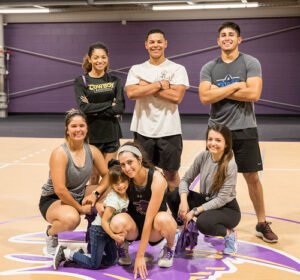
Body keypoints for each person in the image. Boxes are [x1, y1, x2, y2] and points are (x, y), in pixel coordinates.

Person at [199, 21, 278, 243]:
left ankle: (262, 223)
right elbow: (205, 97)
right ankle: (214, 219)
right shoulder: (209, 67)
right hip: (217, 131)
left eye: (231, 35)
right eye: (223, 35)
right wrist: (236, 86)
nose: (227, 38)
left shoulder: (251, 62)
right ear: (218, 40)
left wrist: (219, 90)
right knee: (214, 178)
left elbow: (254, 94)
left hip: (245, 128)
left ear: (239, 39)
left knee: (252, 177)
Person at [125, 29, 189, 192]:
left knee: (171, 174)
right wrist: (160, 84)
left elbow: (176, 97)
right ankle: (149, 211)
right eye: (152, 42)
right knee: (144, 173)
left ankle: (176, 213)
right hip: (143, 131)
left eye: (159, 42)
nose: (156, 45)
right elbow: (132, 93)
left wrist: (145, 86)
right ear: (146, 45)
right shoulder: (136, 69)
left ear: (165, 44)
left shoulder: (177, 69)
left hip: (170, 130)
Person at [39, 109, 109, 256]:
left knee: (112, 192)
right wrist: (79, 208)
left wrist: (95, 194)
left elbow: (107, 175)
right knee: (71, 220)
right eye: (74, 126)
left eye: (82, 126)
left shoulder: (92, 150)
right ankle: (51, 233)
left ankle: (93, 229)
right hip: (55, 199)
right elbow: (60, 190)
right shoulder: (60, 153)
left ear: (87, 128)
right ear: (67, 130)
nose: (78, 130)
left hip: (79, 193)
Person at [167, 124, 241, 254]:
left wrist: (194, 211)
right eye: (210, 139)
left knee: (204, 223)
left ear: (226, 144)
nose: (213, 143)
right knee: (173, 196)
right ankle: (184, 230)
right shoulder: (203, 156)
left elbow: (221, 199)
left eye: (218, 140)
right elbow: (185, 180)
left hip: (227, 208)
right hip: (206, 200)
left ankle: (230, 233)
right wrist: (183, 201)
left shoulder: (230, 165)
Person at [109, 142, 177, 280]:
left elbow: (149, 219)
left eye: (130, 162)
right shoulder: (123, 177)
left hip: (153, 228)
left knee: (166, 220)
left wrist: (140, 255)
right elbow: (106, 186)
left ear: (139, 159)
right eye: (123, 164)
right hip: (134, 227)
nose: (127, 168)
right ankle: (123, 247)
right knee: (116, 222)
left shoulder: (157, 179)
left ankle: (170, 248)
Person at [53, 164, 129, 270]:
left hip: (107, 231)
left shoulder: (125, 195)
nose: (121, 185)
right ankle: (66, 253)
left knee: (112, 260)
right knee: (93, 264)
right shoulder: (114, 201)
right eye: (116, 183)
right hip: (99, 231)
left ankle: (80, 256)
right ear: (111, 184)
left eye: (123, 181)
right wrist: (114, 236)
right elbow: (104, 222)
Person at [74, 42, 125, 184]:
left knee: (108, 175)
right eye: (96, 57)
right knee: (93, 177)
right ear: (89, 59)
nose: (100, 61)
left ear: (107, 58)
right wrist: (109, 104)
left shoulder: (115, 80)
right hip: (92, 135)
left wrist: (94, 108)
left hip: (111, 134)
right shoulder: (82, 81)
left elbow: (119, 108)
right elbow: (84, 108)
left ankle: (107, 205)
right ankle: (93, 204)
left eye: (103, 57)